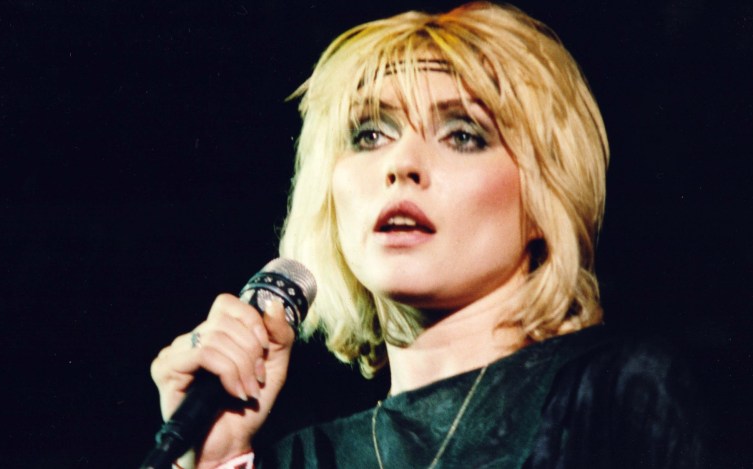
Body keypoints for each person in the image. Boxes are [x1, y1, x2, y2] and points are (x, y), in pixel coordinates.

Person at [151, 2, 704, 468]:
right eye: (369, 134)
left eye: (462, 134)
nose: (401, 164)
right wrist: (213, 458)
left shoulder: (619, 395)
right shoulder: (301, 458)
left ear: (544, 195)